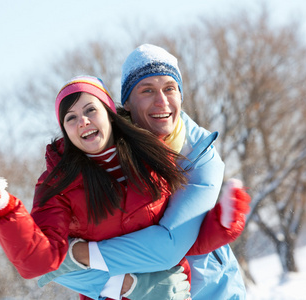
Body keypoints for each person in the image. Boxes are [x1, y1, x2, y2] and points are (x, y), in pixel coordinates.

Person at [38, 44, 249, 300]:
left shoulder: (199, 154)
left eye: (170, 89)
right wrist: (129, 286)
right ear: (125, 102)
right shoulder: (97, 152)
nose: (161, 101)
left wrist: (80, 254)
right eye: (147, 90)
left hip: (210, 290)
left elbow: (171, 245)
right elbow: (46, 261)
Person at [0, 75, 193, 300]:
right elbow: (39, 261)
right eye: (71, 118)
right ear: (66, 131)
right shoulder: (60, 183)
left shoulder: (153, 153)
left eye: (91, 110)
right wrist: (3, 210)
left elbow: (190, 229)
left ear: (109, 113)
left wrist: (225, 222)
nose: (83, 121)